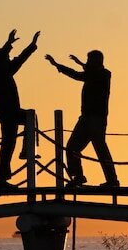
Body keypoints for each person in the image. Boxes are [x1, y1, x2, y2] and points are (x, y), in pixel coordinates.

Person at [45, 49, 118, 188]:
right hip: (85, 119)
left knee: (101, 150)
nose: (87, 62)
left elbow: (82, 75)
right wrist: (57, 65)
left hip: (97, 120)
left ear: (95, 61)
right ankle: (78, 176)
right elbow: (79, 74)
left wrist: (70, 64)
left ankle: (112, 180)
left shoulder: (104, 74)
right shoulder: (92, 74)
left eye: (89, 60)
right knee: (72, 147)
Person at [0, 29, 40, 192]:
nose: (10, 60)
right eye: (7, 59)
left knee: (9, 142)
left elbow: (18, 60)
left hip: (8, 110)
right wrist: (9, 43)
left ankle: (3, 177)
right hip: (6, 111)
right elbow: (12, 59)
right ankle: (26, 151)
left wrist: (31, 46)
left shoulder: (2, 70)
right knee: (26, 121)